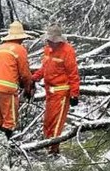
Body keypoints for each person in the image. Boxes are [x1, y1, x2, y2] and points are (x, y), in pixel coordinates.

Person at [31, 23, 80, 155]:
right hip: (49, 93)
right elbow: (44, 68)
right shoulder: (47, 50)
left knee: (56, 124)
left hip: (61, 93)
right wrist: (34, 78)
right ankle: (47, 146)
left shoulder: (67, 51)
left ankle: (53, 150)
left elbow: (73, 73)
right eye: (48, 40)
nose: (49, 43)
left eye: (52, 41)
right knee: (47, 122)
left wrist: (74, 94)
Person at [0, 20, 34, 138]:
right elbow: (25, 73)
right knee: (10, 121)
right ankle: (9, 145)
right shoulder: (19, 49)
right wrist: (28, 88)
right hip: (7, 88)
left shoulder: (0, 48)